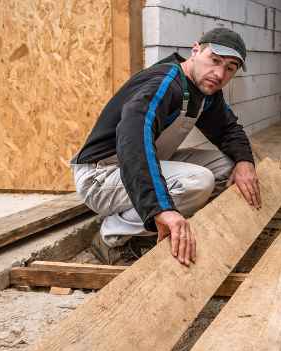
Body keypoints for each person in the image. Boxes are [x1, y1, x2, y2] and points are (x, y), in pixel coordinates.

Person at [71, 28, 261, 266]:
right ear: (195, 51)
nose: (219, 73)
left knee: (227, 167)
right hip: (101, 175)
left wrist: (244, 162)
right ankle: (111, 236)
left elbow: (228, 130)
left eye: (230, 68)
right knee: (197, 181)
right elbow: (135, 144)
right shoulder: (165, 83)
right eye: (215, 60)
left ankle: (162, 226)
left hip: (137, 166)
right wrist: (160, 208)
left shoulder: (205, 89)